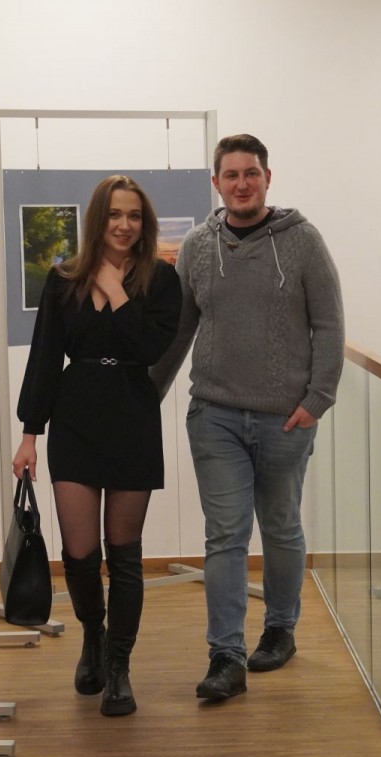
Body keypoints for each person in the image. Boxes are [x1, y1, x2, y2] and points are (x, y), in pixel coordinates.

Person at [150, 134, 344, 701]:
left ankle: (280, 629)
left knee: (280, 527)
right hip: (215, 416)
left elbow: (329, 323)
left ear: (267, 178)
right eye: (231, 175)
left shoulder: (303, 241)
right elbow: (180, 330)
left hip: (286, 419)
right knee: (226, 535)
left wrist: (317, 399)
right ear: (216, 183)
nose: (242, 184)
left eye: (251, 174)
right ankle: (226, 656)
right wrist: (146, 396)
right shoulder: (196, 246)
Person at [12, 175, 182, 717]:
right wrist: (29, 434)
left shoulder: (163, 279)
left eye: (133, 215)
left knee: (124, 554)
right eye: (114, 214)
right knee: (81, 553)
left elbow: (150, 348)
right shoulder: (64, 279)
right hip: (76, 419)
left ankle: (119, 666)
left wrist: (116, 291)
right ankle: (93, 634)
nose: (124, 225)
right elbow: (44, 357)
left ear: (144, 222)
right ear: (97, 219)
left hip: (133, 416)